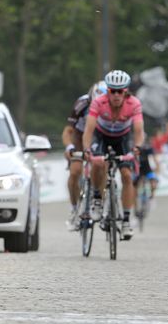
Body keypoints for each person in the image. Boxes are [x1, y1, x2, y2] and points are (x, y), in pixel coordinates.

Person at [83, 70, 144, 240]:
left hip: (122, 139)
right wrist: (87, 149)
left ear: (126, 91)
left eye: (120, 91)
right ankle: (97, 198)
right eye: (112, 91)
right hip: (101, 136)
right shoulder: (98, 102)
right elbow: (88, 130)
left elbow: (138, 130)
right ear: (107, 91)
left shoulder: (134, 103)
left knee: (126, 175)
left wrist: (137, 147)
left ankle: (125, 220)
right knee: (98, 163)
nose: (116, 95)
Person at [62, 80, 107, 231]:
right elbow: (68, 130)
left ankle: (99, 200)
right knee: (75, 171)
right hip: (80, 135)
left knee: (102, 165)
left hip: (100, 135)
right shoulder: (81, 103)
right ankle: (74, 208)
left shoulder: (113, 104)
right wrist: (69, 147)